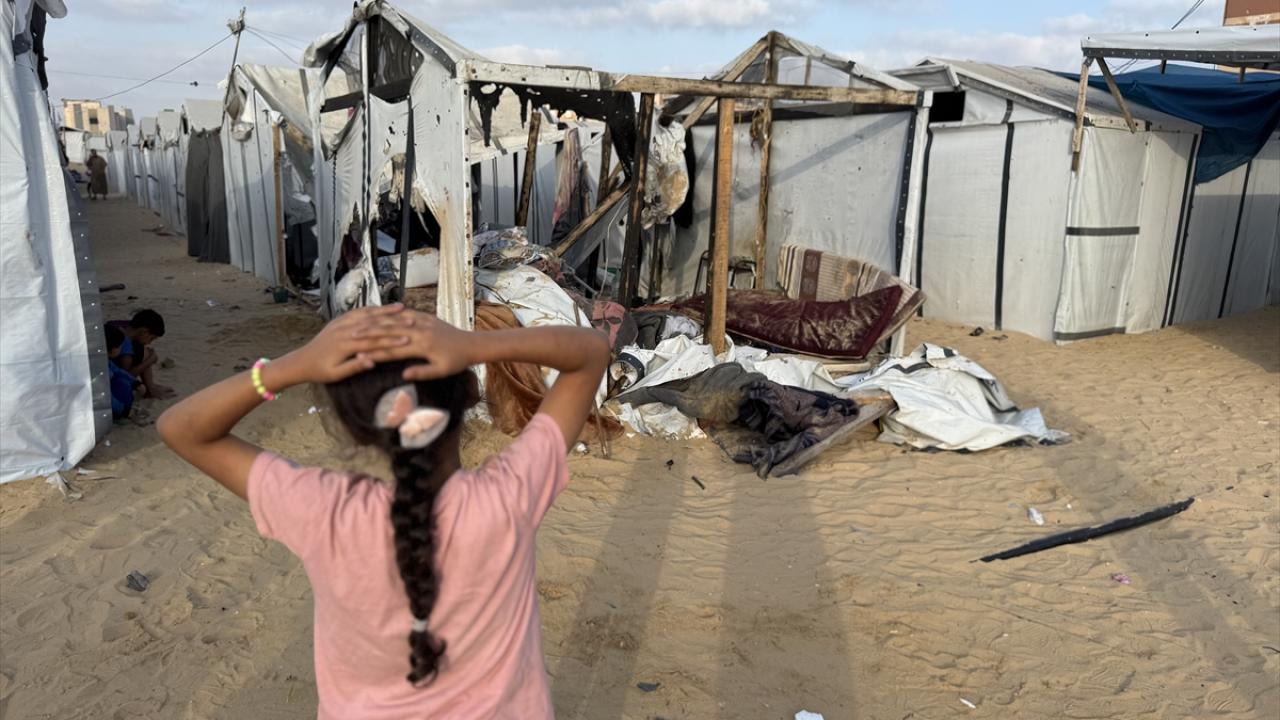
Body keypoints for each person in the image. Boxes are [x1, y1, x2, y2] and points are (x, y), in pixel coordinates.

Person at [157, 304, 610, 719]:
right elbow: (590, 352)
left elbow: (181, 428)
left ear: (353, 426)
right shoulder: (509, 497)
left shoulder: (324, 512)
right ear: (470, 390)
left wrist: (292, 366)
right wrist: (476, 345)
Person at [107, 309, 173, 399]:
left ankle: (151, 387)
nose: (150, 342)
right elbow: (124, 376)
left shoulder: (121, 325)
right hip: (109, 377)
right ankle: (151, 390)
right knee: (145, 354)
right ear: (144, 332)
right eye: (151, 338)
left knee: (143, 351)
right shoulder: (125, 347)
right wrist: (150, 361)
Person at [105, 325, 138, 420]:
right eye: (120, 346)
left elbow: (118, 371)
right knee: (123, 385)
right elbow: (105, 396)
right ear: (113, 350)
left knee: (123, 381)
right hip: (107, 406)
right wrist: (122, 410)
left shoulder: (106, 361)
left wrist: (135, 383)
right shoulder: (99, 369)